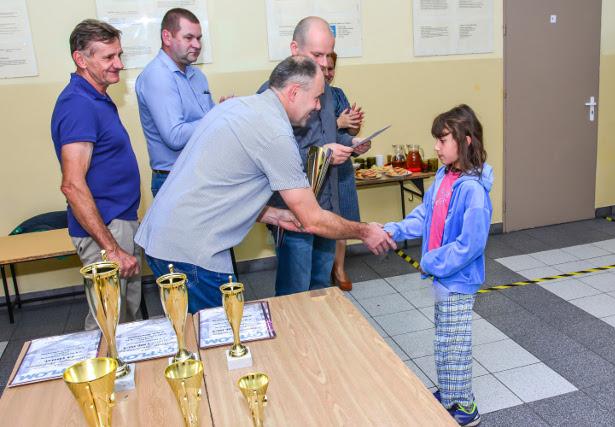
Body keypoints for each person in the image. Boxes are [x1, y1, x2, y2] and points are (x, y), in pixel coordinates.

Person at [135, 56, 395, 313]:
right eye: (316, 98)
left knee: (199, 331)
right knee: (220, 333)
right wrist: (365, 231)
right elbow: (313, 220)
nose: (318, 106)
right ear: (294, 92)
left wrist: (274, 214)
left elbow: (223, 186)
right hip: (190, 252)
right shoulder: (274, 133)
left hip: (164, 237)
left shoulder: (239, 107)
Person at [383, 105, 492, 427]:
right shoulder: (445, 175)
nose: (436, 146)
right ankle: (449, 394)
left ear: (466, 141)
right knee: (444, 340)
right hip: (443, 276)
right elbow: (426, 214)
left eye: (443, 140)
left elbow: (470, 245)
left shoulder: (473, 189)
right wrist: (396, 229)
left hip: (458, 279)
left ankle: (465, 407)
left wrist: (432, 261)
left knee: (455, 344)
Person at [258, 16, 372, 297]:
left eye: (328, 55)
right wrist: (322, 154)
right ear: (294, 49)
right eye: (317, 54)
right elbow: (273, 157)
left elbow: (327, 135)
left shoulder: (327, 92)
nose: (324, 63)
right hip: (293, 211)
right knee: (295, 293)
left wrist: (350, 143)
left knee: (321, 288)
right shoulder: (273, 95)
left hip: (326, 205)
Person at [51, 19, 142, 329]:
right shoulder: (78, 105)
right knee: (108, 322)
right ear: (81, 59)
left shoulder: (96, 97)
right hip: (105, 230)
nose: (119, 64)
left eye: (119, 55)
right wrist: (112, 249)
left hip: (118, 222)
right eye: (108, 57)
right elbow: (72, 185)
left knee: (124, 320)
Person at [135, 8, 230, 196]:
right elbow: (175, 136)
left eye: (199, 38)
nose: (197, 44)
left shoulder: (197, 75)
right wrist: (218, 116)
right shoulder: (158, 76)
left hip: (201, 174)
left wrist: (224, 111)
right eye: (188, 38)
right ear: (167, 37)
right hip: (173, 179)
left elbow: (209, 120)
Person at [326, 51, 365, 291]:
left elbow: (347, 133)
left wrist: (354, 129)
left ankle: (339, 267)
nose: (328, 73)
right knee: (322, 220)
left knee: (342, 220)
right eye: (324, 68)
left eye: (331, 68)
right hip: (319, 169)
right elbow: (312, 132)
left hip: (341, 167)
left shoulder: (338, 94)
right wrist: (338, 122)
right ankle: (324, 269)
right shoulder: (304, 95)